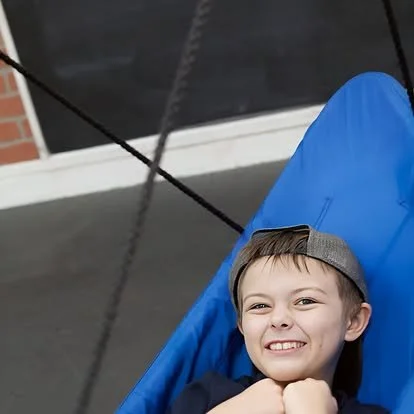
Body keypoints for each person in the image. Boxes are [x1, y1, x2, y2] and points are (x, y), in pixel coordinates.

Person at [167, 224, 389, 413]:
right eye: (260, 305)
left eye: (305, 301)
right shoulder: (205, 396)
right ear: (242, 325)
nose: (278, 319)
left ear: (354, 321)